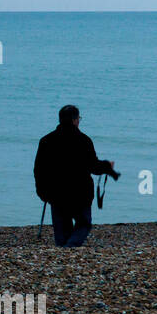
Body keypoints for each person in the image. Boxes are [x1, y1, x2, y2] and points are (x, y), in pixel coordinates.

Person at [33, 105, 117, 247]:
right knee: (83, 224)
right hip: (81, 192)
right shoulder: (84, 140)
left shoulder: (46, 140)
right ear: (74, 120)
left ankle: (64, 254)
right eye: (78, 118)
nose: (79, 121)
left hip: (56, 193)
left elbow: (39, 170)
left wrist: (42, 192)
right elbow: (93, 166)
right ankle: (69, 249)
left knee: (62, 230)